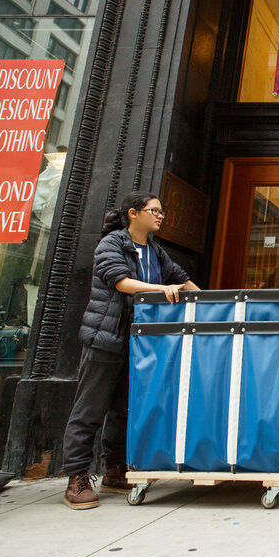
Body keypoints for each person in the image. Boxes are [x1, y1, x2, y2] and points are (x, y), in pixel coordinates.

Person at [62, 191, 200, 509]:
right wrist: (161, 289)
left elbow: (182, 279)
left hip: (139, 344)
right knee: (90, 410)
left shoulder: (154, 251)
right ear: (134, 213)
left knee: (125, 409)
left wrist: (221, 305)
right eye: (155, 210)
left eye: (162, 211)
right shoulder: (112, 244)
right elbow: (120, 281)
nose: (161, 215)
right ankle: (77, 477)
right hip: (105, 338)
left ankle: (114, 470)